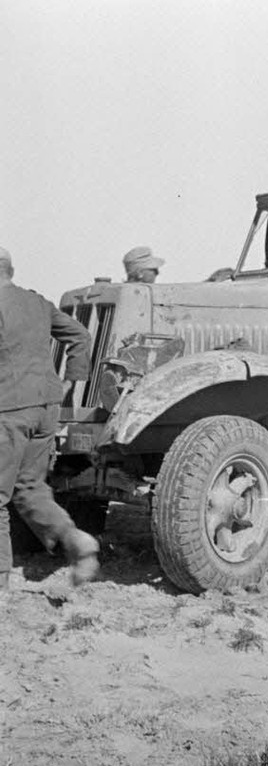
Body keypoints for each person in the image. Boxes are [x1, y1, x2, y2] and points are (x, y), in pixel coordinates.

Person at [0, 248, 100, 591]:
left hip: (9, 409)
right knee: (29, 488)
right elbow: (80, 336)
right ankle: (75, 541)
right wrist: (71, 379)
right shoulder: (36, 302)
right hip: (45, 406)